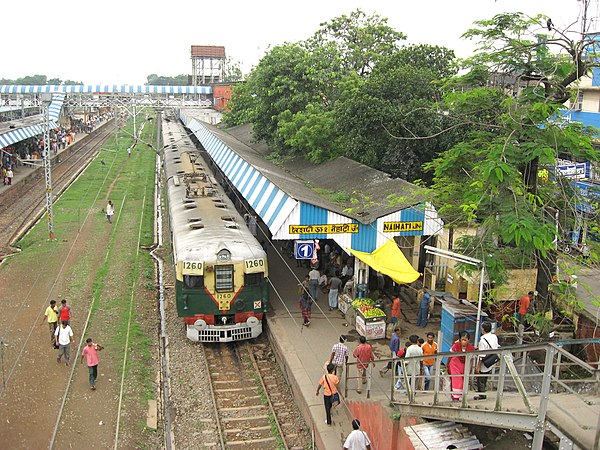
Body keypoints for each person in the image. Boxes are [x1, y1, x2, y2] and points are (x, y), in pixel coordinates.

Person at [448, 331, 476, 401]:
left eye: (465, 340)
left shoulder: (471, 348)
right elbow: (450, 355)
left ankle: (459, 395)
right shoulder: (456, 346)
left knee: (463, 381)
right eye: (462, 340)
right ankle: (455, 397)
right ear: (460, 339)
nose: (463, 342)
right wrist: (447, 364)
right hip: (455, 364)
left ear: (468, 340)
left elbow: (471, 359)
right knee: (456, 380)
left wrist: (469, 369)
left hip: (464, 365)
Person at [475, 322, 500, 400]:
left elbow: (481, 355)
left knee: (480, 378)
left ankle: (482, 394)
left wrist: (478, 367)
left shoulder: (482, 340)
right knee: (485, 376)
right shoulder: (494, 336)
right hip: (492, 358)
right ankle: (482, 393)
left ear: (483, 329)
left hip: (485, 361)